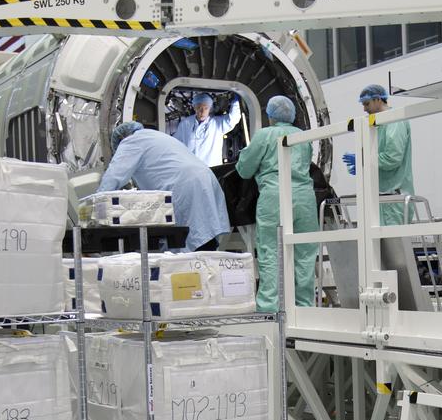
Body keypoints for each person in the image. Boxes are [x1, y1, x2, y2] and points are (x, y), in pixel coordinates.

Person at [235, 95, 317, 312]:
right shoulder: (304, 135)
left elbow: (244, 169)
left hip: (275, 198)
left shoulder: (265, 135)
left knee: (270, 251)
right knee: (306, 254)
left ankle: (270, 309)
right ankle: (305, 308)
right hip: (305, 199)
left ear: (270, 115)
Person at [99, 121, 231, 251]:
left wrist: (96, 207)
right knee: (204, 236)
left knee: (191, 242)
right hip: (207, 179)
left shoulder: (131, 141)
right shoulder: (158, 136)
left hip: (184, 185)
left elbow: (114, 175)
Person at [341, 83, 414, 225]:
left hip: (393, 199)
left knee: (395, 245)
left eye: (367, 104)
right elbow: (376, 157)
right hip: (380, 198)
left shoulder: (394, 120)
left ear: (378, 99)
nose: (364, 109)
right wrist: (364, 166)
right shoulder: (376, 125)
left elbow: (392, 158)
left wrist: (365, 160)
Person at [171, 92, 243, 166]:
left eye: (206, 108)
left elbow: (233, 118)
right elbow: (175, 142)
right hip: (191, 168)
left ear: (210, 109)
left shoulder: (217, 123)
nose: (202, 111)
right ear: (194, 107)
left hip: (212, 168)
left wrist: (236, 101)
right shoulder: (185, 123)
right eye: (199, 108)